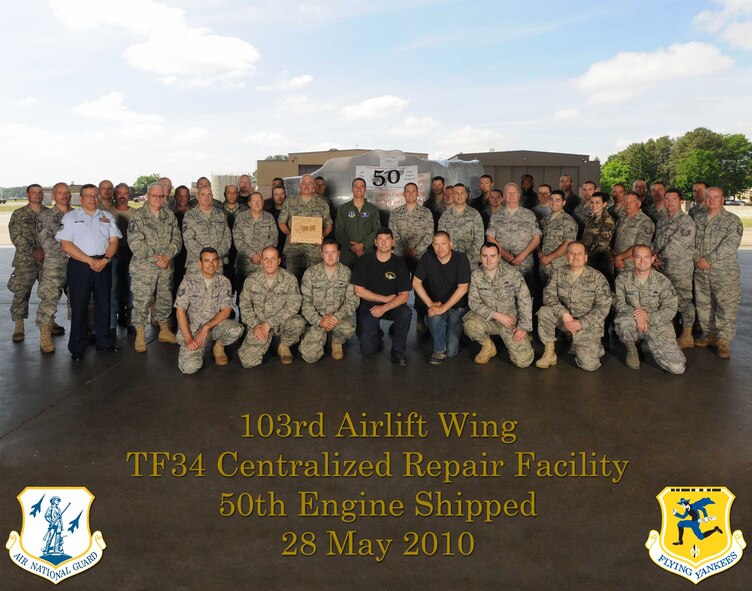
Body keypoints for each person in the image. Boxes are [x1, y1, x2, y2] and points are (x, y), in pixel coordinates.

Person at [56, 184, 122, 360]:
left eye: (95, 195)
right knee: (79, 306)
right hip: (80, 265)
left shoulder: (106, 217)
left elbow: (114, 242)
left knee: (104, 304)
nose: (92, 198)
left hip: (103, 263)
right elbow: (66, 245)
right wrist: (91, 261)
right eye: (88, 195)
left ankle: (104, 342)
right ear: (81, 198)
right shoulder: (70, 217)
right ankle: (77, 348)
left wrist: (105, 260)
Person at [536, 242, 612, 371]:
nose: (575, 256)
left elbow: (603, 306)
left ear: (585, 257)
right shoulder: (558, 273)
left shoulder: (597, 278)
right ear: (567, 256)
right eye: (571, 253)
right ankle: (549, 352)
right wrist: (563, 313)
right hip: (565, 320)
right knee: (544, 312)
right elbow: (548, 296)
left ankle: (590, 345)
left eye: (579, 253)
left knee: (589, 366)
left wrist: (582, 323)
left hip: (586, 324)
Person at [128, 182, 183, 352]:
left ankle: (164, 331)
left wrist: (167, 257)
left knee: (165, 299)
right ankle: (140, 334)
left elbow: (177, 240)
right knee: (142, 301)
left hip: (166, 267)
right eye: (154, 195)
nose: (158, 199)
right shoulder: (138, 216)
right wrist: (156, 259)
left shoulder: (169, 215)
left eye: (161, 196)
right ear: (147, 195)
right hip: (145, 268)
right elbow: (135, 242)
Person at [614, 244, 685, 374]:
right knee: (623, 322)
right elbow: (618, 302)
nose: (642, 261)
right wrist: (637, 315)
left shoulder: (663, 281)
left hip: (657, 323)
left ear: (653, 259)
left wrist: (647, 317)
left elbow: (670, 308)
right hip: (633, 320)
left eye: (646, 257)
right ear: (632, 259)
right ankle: (632, 349)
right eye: (638, 257)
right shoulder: (622, 279)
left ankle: (647, 343)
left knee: (677, 368)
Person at [463, 242, 534, 367]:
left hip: (510, 321)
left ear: (499, 256)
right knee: (470, 324)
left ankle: (525, 337)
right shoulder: (476, 275)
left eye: (492, 256)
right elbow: (473, 302)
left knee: (524, 362)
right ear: (480, 257)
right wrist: (496, 315)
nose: (488, 260)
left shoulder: (512, 273)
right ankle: (487, 346)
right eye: (485, 256)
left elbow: (525, 299)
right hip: (489, 319)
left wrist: (523, 327)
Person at [174, 248, 244, 373]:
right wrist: (189, 339)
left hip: (213, 328)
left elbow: (226, 311)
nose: (211, 265)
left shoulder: (224, 282)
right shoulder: (188, 281)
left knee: (236, 329)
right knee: (190, 368)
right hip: (193, 331)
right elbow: (180, 312)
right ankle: (198, 351)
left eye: (214, 260)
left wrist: (207, 327)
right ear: (200, 263)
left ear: (218, 263)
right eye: (206, 261)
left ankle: (218, 346)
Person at [693, 186, 743, 359]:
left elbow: (730, 245)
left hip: (724, 272)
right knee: (704, 304)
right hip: (701, 271)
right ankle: (710, 335)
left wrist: (709, 260)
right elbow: (690, 242)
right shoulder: (697, 219)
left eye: (715, 197)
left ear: (722, 200)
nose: (711, 200)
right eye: (708, 197)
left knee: (725, 306)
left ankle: (723, 341)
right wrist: (697, 259)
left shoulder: (732, 220)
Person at [351, 228, 412, 366]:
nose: (384, 243)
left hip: (392, 305)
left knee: (406, 313)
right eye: (380, 239)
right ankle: (374, 332)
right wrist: (383, 299)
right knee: (368, 350)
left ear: (392, 242)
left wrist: (384, 307)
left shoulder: (399, 264)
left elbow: (404, 296)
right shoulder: (364, 261)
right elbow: (359, 291)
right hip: (369, 306)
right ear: (375, 242)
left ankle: (397, 350)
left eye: (387, 239)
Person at [237, 246, 305, 367]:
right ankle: (264, 341)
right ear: (261, 260)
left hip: (281, 322)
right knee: (248, 361)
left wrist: (269, 323)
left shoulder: (289, 279)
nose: (269, 262)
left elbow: (294, 305)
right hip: (259, 323)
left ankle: (284, 345)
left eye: (273, 258)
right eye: (266, 259)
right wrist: (255, 325)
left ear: (279, 261)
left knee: (298, 323)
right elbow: (244, 305)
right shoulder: (251, 280)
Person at [412, 232, 471, 365]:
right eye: (436, 244)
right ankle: (438, 350)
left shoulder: (461, 259)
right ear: (432, 246)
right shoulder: (427, 258)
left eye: (443, 243)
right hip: (437, 305)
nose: (440, 248)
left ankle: (453, 329)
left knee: (451, 350)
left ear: (451, 244)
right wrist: (431, 304)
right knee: (435, 316)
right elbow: (416, 282)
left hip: (457, 307)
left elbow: (463, 288)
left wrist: (443, 308)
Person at [299, 239, 359, 363]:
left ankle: (337, 342)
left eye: (333, 252)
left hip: (338, 319)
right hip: (317, 319)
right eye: (327, 252)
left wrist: (335, 317)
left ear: (339, 254)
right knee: (310, 357)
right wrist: (319, 320)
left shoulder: (347, 273)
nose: (330, 256)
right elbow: (305, 302)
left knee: (348, 327)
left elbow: (352, 300)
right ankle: (318, 337)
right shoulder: (310, 273)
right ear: (322, 254)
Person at [651, 188, 696, 349]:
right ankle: (670, 332)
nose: (669, 202)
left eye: (673, 199)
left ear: (681, 201)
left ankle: (687, 335)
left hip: (679, 269)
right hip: (661, 267)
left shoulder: (686, 221)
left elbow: (677, 244)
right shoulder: (663, 219)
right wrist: (652, 254)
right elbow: (655, 240)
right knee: (664, 300)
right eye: (667, 199)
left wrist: (658, 256)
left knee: (683, 301)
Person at [486, 182, 541, 294]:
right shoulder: (496, 215)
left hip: (524, 265)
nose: (511, 196)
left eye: (514, 193)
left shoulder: (529, 214)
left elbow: (536, 238)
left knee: (526, 298)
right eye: (508, 193)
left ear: (519, 196)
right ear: (504, 197)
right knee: (503, 297)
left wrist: (522, 256)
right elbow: (490, 237)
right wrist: (507, 256)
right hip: (502, 265)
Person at [35, 182, 71, 352]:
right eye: (60, 193)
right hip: (54, 266)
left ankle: (83, 332)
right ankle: (45, 335)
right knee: (49, 301)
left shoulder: (77, 215)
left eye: (67, 193)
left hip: (77, 266)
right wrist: (73, 250)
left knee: (82, 301)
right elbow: (47, 243)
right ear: (54, 196)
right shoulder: (45, 217)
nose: (64, 195)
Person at [8, 183, 46, 342]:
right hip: (25, 261)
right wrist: (33, 252)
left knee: (49, 294)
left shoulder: (49, 213)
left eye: (39, 192)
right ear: (28, 194)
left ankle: (49, 322)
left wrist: (45, 251)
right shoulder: (19, 214)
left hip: (46, 259)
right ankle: (19, 325)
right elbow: (16, 236)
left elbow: (57, 235)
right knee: (21, 294)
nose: (37, 195)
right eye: (34, 192)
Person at [278, 174, 333, 281]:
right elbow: (281, 222)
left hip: (314, 251)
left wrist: (323, 234)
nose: (306, 186)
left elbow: (329, 225)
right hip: (293, 250)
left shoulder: (322, 203)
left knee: (314, 283)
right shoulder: (290, 201)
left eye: (310, 183)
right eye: (304, 183)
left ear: (314, 186)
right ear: (299, 185)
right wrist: (289, 234)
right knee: (292, 283)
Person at [182, 185, 232, 276]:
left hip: (217, 264)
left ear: (212, 196)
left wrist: (215, 256)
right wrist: (205, 257)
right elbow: (188, 240)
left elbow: (227, 238)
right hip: (196, 264)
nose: (207, 197)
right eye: (203, 194)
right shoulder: (189, 216)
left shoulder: (221, 214)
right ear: (197, 196)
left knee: (217, 289)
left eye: (209, 194)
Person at [335, 177, 381, 269]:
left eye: (362, 186)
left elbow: (377, 230)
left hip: (367, 251)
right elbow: (339, 231)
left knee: (367, 279)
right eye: (356, 186)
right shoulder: (343, 209)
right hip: (347, 252)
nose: (359, 189)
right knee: (346, 279)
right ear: (352, 189)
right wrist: (352, 247)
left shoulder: (372, 209)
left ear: (365, 189)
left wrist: (362, 245)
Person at [234, 191, 278, 283]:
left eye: (260, 201)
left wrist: (262, 254)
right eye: (254, 201)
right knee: (243, 293)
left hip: (264, 263)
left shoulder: (269, 217)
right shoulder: (240, 218)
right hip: (244, 264)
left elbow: (274, 237)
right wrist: (252, 254)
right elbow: (237, 239)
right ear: (249, 203)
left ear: (263, 203)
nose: (257, 203)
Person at [537, 189, 578, 286]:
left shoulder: (569, 221)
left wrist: (548, 258)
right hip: (543, 265)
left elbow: (567, 244)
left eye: (557, 200)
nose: (553, 202)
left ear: (563, 202)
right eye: (551, 199)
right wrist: (540, 255)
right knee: (543, 295)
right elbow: (537, 239)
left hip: (559, 267)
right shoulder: (544, 220)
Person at [438, 183, 484, 266]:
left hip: (470, 263)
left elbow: (479, 239)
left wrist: (466, 259)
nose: (459, 196)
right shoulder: (445, 216)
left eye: (462, 193)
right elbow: (441, 240)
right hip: (450, 262)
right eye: (456, 193)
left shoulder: (475, 215)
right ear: (453, 195)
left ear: (466, 195)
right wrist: (451, 258)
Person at [110, 182, 134, 334]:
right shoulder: (106, 213)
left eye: (125, 193)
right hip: (112, 256)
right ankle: (111, 324)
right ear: (114, 195)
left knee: (132, 291)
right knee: (112, 289)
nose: (122, 196)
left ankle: (131, 322)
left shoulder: (136, 214)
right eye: (119, 193)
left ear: (129, 195)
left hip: (132, 256)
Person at [613, 191, 655, 273]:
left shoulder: (645, 222)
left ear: (638, 204)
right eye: (626, 202)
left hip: (633, 267)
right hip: (618, 265)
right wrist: (616, 257)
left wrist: (619, 257)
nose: (628, 204)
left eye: (631, 202)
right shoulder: (621, 218)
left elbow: (640, 246)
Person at [582, 192, 616, 287]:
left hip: (601, 261)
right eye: (592, 202)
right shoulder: (590, 218)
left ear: (604, 204)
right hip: (588, 260)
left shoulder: (607, 220)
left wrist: (584, 257)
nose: (594, 205)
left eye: (597, 202)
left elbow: (602, 245)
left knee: (602, 290)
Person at [222, 184, 248, 295]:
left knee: (241, 281)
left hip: (241, 250)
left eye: (234, 192)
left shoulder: (245, 210)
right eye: (229, 192)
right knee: (225, 280)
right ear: (224, 194)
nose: (232, 195)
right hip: (223, 250)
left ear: (238, 194)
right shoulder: (218, 209)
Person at [264, 185, 288, 255]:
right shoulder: (267, 212)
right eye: (276, 194)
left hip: (288, 245)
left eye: (282, 194)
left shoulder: (291, 211)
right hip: (271, 246)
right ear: (272, 196)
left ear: (285, 195)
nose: (279, 197)